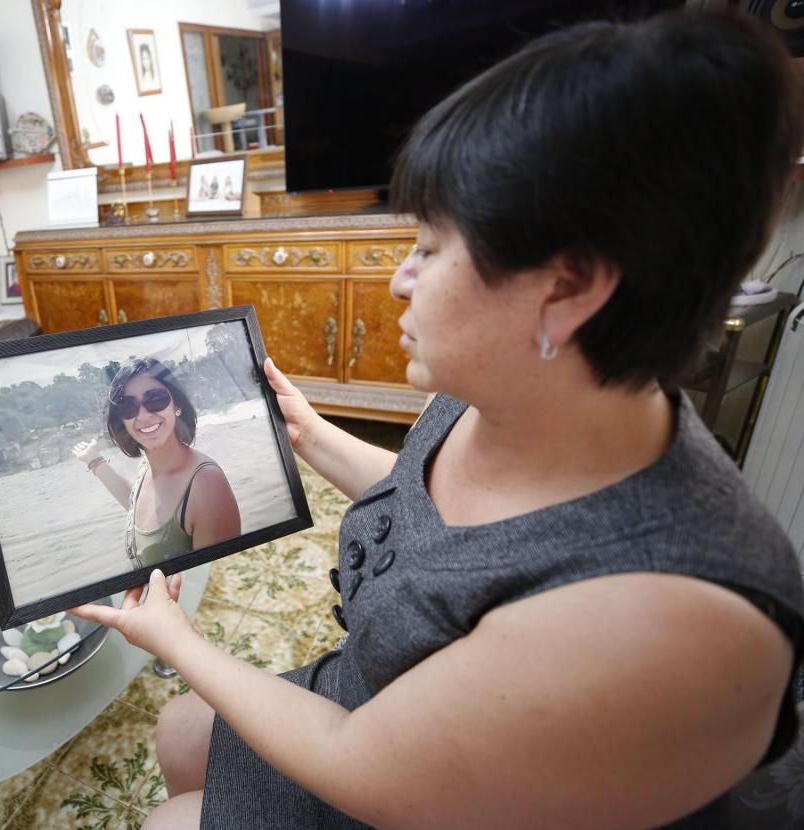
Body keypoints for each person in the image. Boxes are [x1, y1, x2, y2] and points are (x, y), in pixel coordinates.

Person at [72, 10, 804, 829]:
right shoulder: (523, 388)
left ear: (566, 289)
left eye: (429, 245)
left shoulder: (663, 619)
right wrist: (311, 436)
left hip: (406, 776)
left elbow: (364, 768)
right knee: (178, 733)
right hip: (382, 692)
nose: (398, 279)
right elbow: (455, 526)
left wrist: (178, 641)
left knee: (163, 819)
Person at [73, 358, 240, 569]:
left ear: (176, 403)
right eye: (128, 406)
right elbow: (137, 505)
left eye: (155, 399)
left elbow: (217, 582)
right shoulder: (147, 466)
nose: (143, 415)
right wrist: (94, 461)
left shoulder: (206, 483)